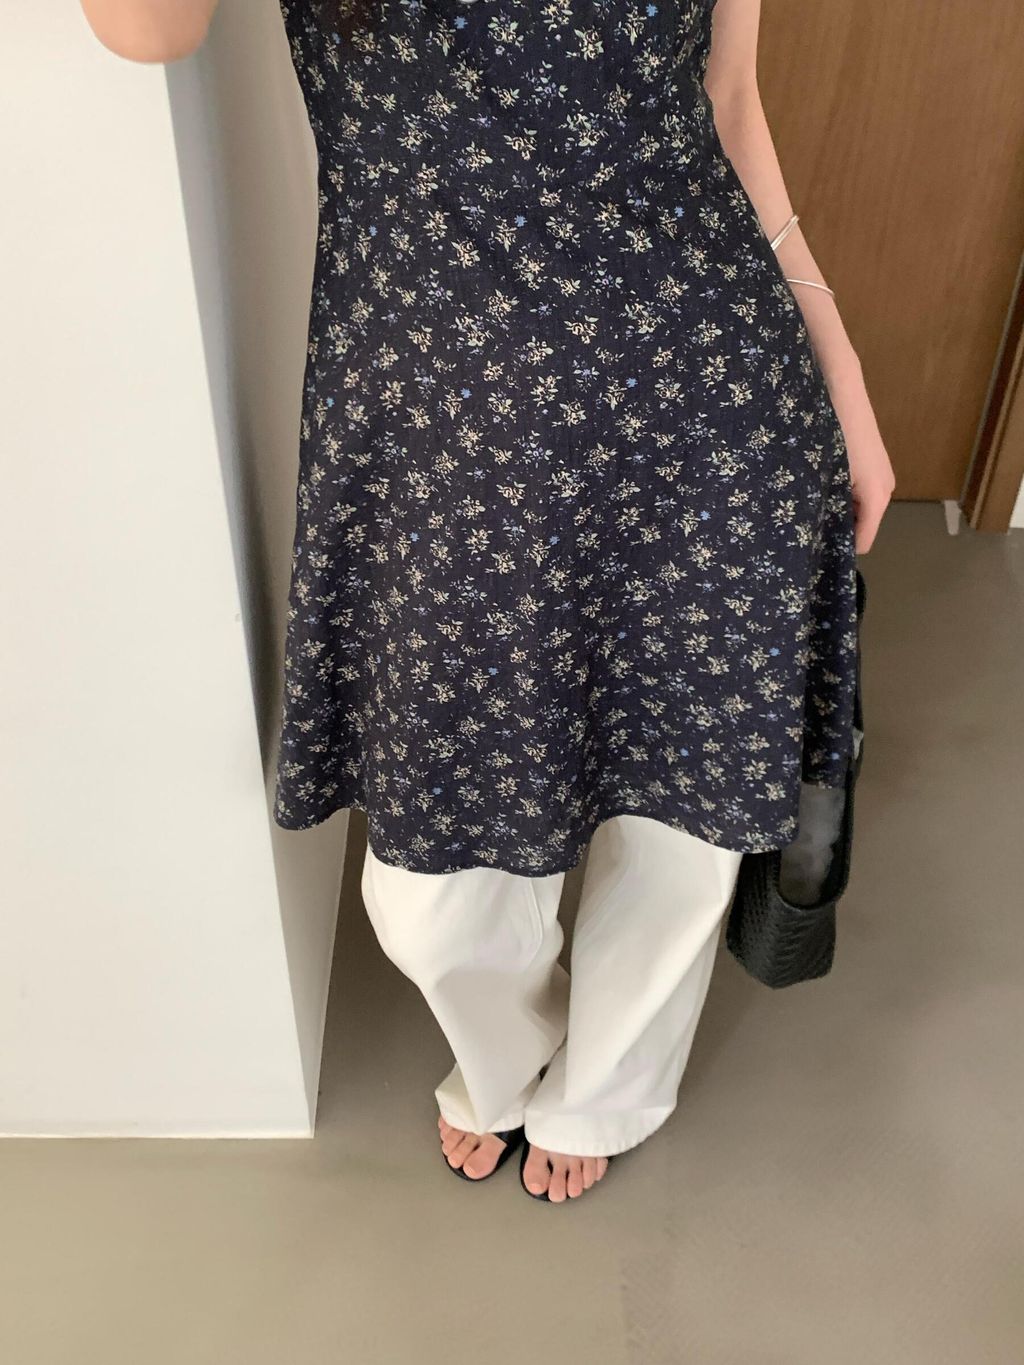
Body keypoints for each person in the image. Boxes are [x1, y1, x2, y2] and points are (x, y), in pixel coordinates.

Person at [87, 0, 894, 1203]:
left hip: (703, 397)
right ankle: (512, 1054)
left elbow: (726, 98)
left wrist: (840, 369)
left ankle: (610, 1084)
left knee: (679, 817)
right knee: (430, 900)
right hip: (438, 438)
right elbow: (146, 30)